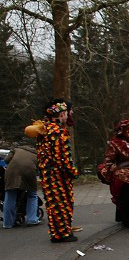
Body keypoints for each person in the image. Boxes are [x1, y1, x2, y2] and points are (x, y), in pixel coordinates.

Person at [36, 99, 79, 243]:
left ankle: (57, 232)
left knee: (53, 204)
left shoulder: (45, 129)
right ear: (61, 114)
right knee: (62, 203)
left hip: (48, 175)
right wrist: (73, 171)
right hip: (57, 176)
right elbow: (62, 156)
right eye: (67, 113)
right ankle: (62, 233)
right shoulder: (57, 131)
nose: (69, 115)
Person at [2, 144, 39, 229]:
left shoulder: (16, 149)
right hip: (29, 170)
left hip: (12, 171)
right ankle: (32, 219)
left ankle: (8, 223)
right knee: (32, 194)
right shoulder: (36, 154)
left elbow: (7, 160)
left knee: (10, 194)